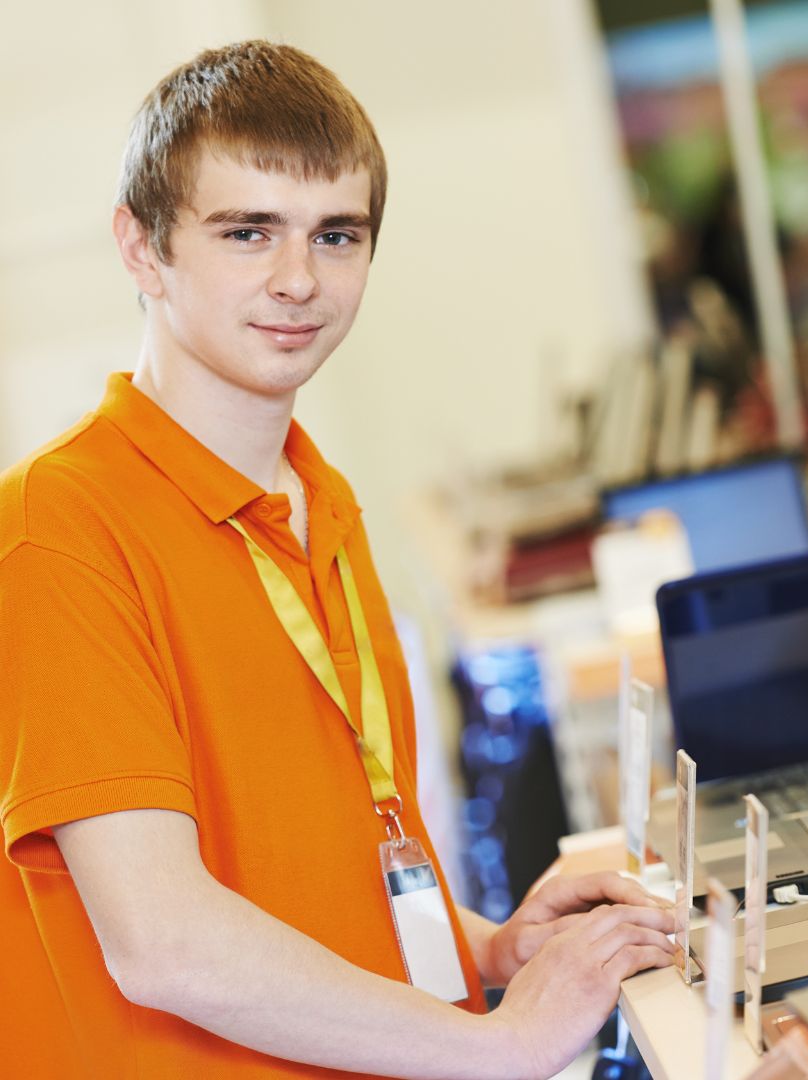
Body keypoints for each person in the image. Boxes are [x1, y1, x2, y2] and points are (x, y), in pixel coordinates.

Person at [0, 41, 674, 1079]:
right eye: (247, 232)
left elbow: (320, 862)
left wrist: (489, 948)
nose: (299, 279)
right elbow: (162, 941)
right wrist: (498, 1044)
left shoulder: (323, 503)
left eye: (337, 234)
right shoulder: (59, 526)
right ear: (141, 249)